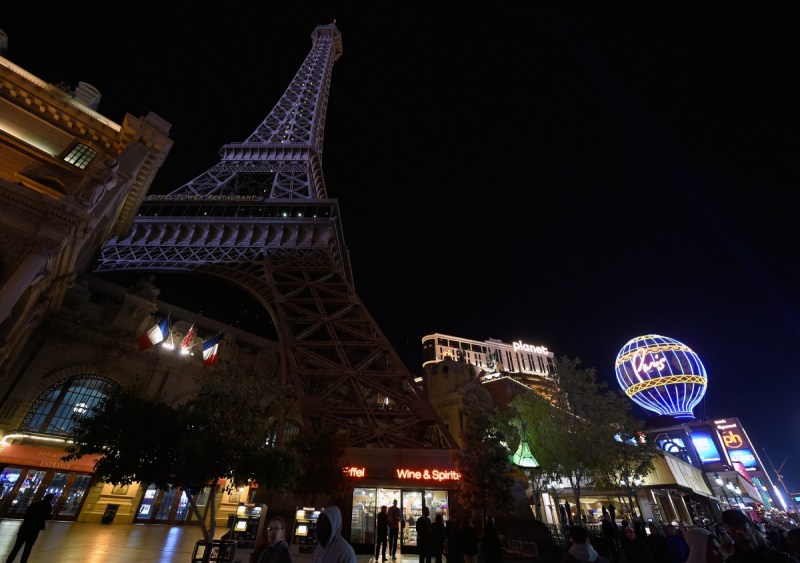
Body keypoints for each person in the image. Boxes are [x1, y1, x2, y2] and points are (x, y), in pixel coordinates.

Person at [722, 509, 800, 563]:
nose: (738, 531)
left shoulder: (782, 559)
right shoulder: (731, 561)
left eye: (741, 526)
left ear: (752, 530)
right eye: (732, 528)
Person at [4, 493, 55, 563]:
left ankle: (9, 561)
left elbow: (26, 515)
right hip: (34, 530)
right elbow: (46, 517)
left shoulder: (34, 504)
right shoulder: (48, 506)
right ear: (51, 499)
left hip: (25, 528)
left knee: (16, 548)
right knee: (27, 549)